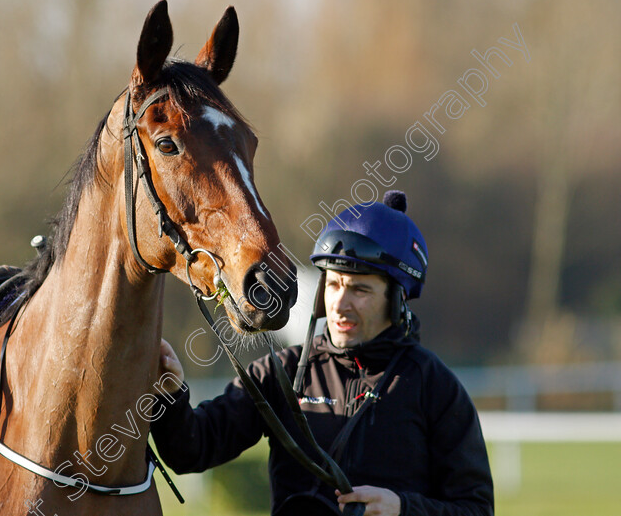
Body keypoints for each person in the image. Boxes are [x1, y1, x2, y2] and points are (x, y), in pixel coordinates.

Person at [152, 190, 494, 516]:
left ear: (397, 298)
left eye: (360, 289)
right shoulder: (279, 373)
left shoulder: (434, 387)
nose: (340, 305)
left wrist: (402, 508)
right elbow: (189, 451)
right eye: (333, 285)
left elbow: (476, 509)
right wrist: (171, 395)